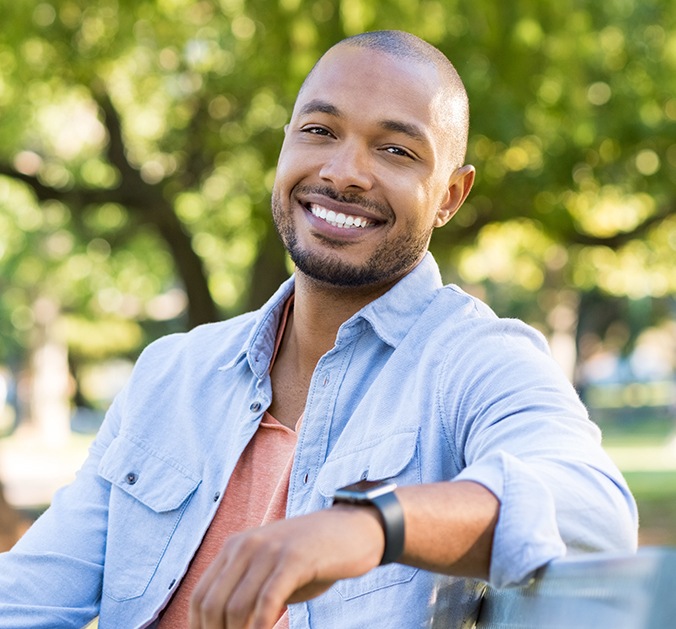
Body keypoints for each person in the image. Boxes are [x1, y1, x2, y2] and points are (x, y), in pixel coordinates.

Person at [0, 30, 637, 629]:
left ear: (450, 195)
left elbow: (592, 511)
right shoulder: (173, 371)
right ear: (284, 146)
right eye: (319, 130)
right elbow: (28, 599)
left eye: (396, 149)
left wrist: (369, 526)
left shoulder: (475, 361)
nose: (344, 172)